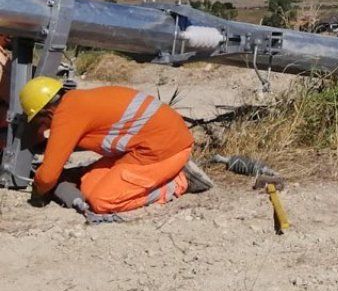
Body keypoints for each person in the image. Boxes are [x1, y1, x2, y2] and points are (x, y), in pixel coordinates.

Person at [22, 77, 212, 214]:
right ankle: (171, 172)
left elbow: (47, 178)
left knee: (102, 201)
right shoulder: (75, 102)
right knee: (87, 186)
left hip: (166, 148)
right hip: (147, 144)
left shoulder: (66, 114)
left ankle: (178, 182)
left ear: (46, 112)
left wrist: (37, 193)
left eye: (38, 121)